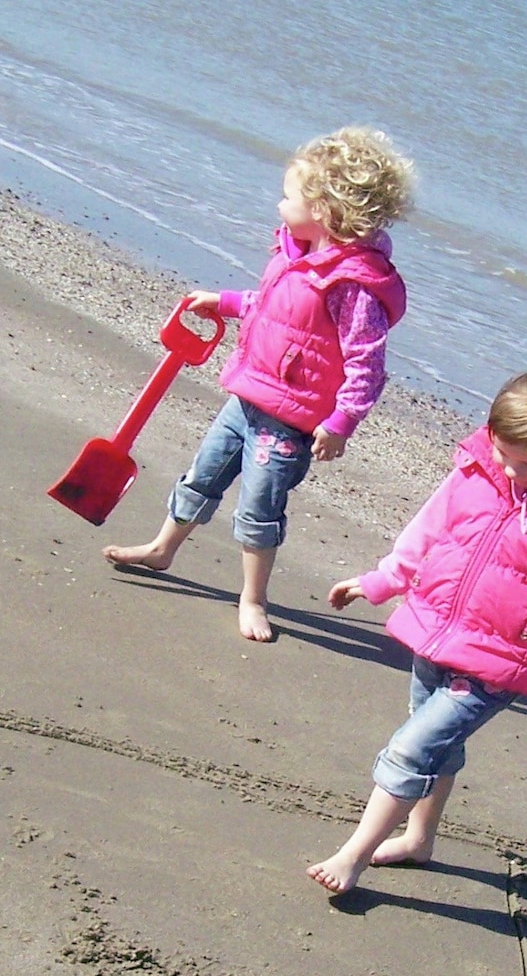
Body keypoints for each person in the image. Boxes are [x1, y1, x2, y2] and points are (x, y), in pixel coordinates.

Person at [308, 362, 527, 894]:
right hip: (435, 628)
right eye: (504, 454)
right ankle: (420, 839)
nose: (512, 471)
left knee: (410, 749)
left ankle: (353, 853)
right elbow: (427, 529)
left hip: (503, 661)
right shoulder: (477, 471)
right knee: (434, 743)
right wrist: (382, 579)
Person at [103, 127, 412, 641]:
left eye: (291, 196)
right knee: (202, 475)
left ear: (328, 210)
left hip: (289, 422)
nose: (280, 202)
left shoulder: (353, 284)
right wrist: (224, 301)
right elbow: (270, 310)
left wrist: (341, 422)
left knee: (259, 507)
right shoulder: (298, 256)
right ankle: (163, 548)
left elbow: (367, 364)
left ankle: (252, 597)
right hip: (249, 396)